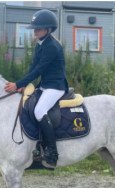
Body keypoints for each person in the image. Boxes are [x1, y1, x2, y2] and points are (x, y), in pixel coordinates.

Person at [4, 9, 68, 167]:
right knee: (28, 105)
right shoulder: (41, 44)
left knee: (39, 110)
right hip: (45, 86)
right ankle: (37, 147)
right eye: (35, 28)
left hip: (55, 87)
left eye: (38, 28)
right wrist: (24, 85)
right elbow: (33, 68)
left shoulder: (52, 46)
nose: (35, 31)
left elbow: (38, 70)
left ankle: (52, 152)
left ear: (48, 29)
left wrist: (17, 84)